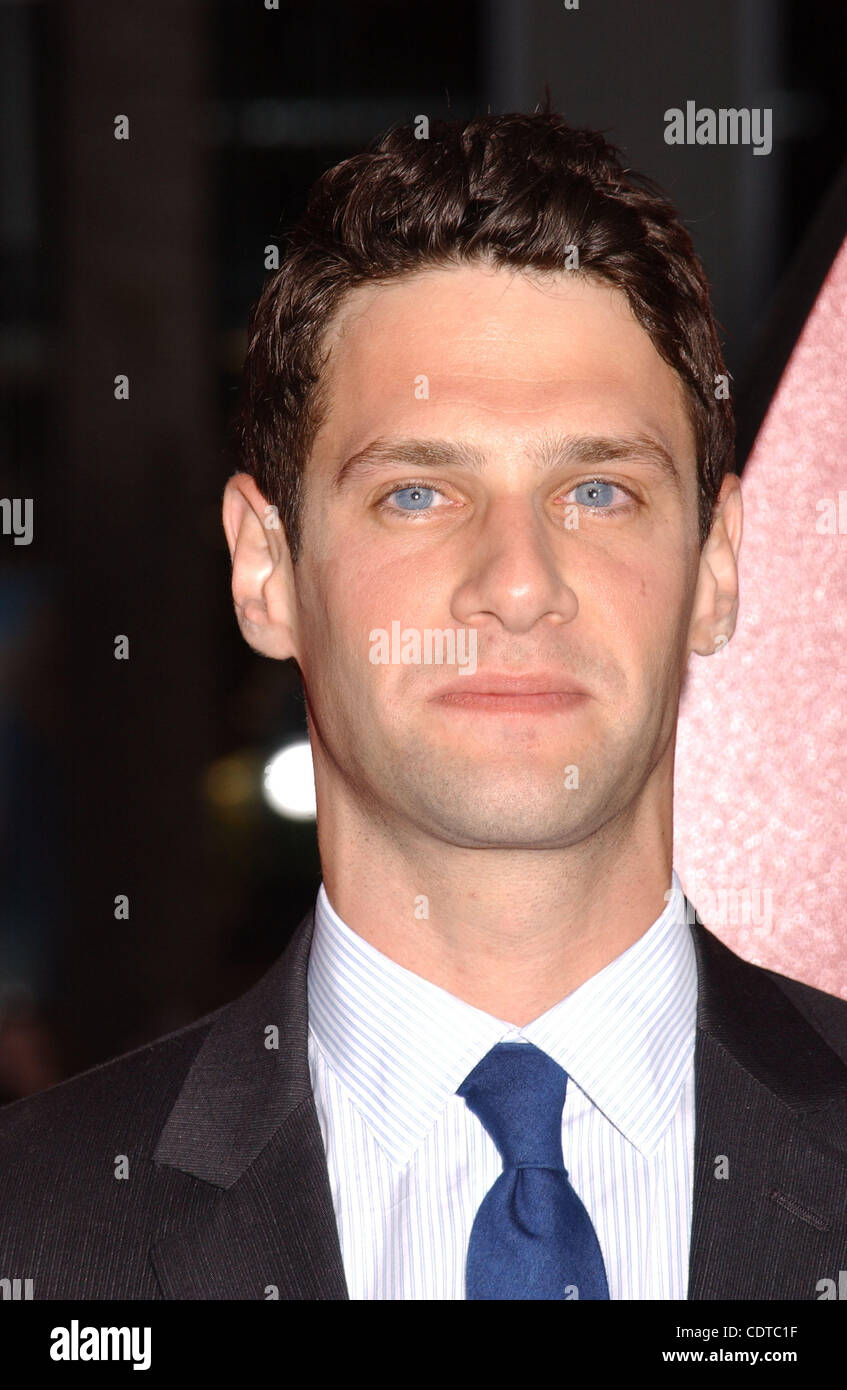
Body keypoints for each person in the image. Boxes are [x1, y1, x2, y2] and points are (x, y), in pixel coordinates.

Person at [1, 108, 845, 1302]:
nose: (515, 582)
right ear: (265, 569)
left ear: (716, 567)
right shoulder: (34, 1237)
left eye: (597, 490)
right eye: (416, 494)